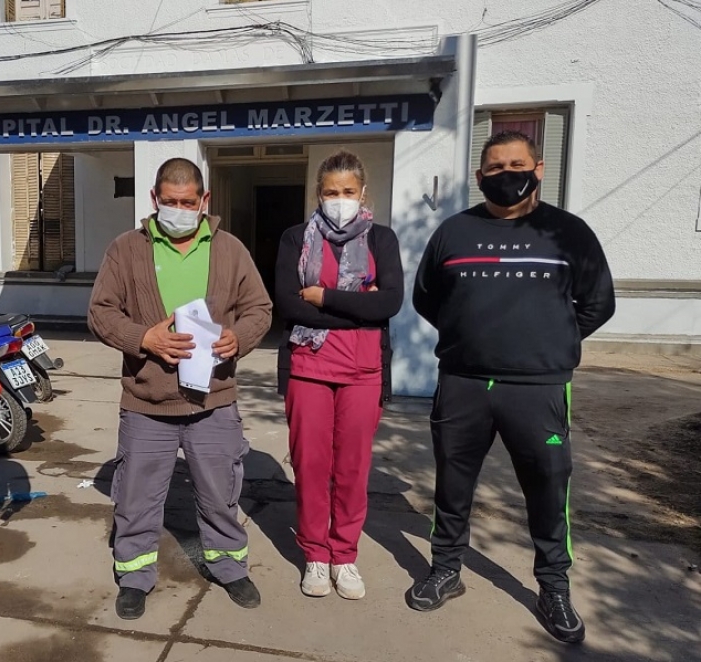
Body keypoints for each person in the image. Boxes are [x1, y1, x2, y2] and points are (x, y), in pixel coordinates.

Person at [409, 131, 616, 643]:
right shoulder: (453, 232)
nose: (507, 174)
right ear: (480, 178)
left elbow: (598, 303)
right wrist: (472, 339)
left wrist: (547, 342)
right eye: (495, 167)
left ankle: (553, 586)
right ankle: (446, 568)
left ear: (538, 168)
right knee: (452, 486)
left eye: (516, 164)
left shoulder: (570, 233)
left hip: (539, 389)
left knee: (548, 490)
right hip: (463, 384)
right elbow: (427, 298)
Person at [88, 157, 272, 620]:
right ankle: (133, 574)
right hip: (148, 401)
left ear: (204, 201)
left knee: (219, 491)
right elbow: (101, 312)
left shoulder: (229, 250)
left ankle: (228, 565)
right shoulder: (125, 250)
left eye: (187, 203)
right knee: (136, 495)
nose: (178, 210)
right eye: (169, 202)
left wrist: (239, 338)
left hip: (214, 399)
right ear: (154, 199)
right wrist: (143, 338)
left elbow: (260, 309)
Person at [274, 150, 404, 599]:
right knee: (311, 466)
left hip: (363, 370)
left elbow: (389, 304)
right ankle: (315, 554)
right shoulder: (296, 239)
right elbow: (288, 304)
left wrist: (324, 298)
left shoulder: (382, 240)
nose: (340, 199)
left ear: (363, 193)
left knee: (352, 469)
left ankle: (344, 555)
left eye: (348, 192)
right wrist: (358, 308)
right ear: (318, 194)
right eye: (331, 192)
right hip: (308, 368)